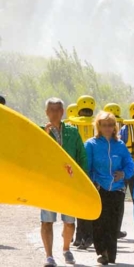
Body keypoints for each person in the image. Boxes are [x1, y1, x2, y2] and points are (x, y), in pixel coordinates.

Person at [40, 98, 87, 267]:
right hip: (48, 184)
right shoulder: (39, 131)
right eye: (51, 110)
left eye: (58, 109)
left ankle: (66, 249)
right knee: (47, 221)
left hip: (69, 184)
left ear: (63, 112)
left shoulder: (72, 132)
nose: (54, 113)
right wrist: (45, 135)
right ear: (46, 112)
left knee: (69, 222)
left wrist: (84, 180)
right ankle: (49, 256)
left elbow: (81, 155)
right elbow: (36, 155)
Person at [85, 111, 134, 265]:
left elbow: (130, 164)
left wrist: (124, 173)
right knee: (99, 222)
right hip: (99, 188)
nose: (107, 128)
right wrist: (93, 180)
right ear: (98, 126)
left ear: (115, 127)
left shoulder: (120, 145)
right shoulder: (91, 144)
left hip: (117, 189)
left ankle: (111, 255)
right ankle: (102, 253)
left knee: (113, 224)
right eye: (104, 125)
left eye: (110, 125)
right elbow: (87, 167)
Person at [68, 95, 97, 249]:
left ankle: (81, 237)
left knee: (78, 204)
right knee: (90, 202)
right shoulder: (97, 123)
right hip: (94, 170)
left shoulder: (70, 124)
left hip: (76, 169)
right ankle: (85, 236)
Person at [104, 102, 127, 239]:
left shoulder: (125, 130)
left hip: (117, 171)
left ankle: (80, 235)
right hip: (127, 168)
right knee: (121, 202)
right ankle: (116, 230)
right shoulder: (125, 127)